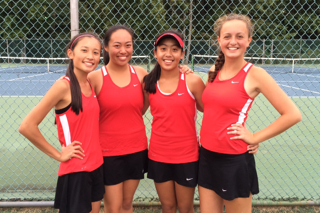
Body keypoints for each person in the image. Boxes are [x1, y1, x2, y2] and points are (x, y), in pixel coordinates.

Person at [143, 30, 259, 213]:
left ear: (182, 54)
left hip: (187, 156)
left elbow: (216, 111)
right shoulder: (148, 83)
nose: (168, 54)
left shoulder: (193, 81)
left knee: (185, 208)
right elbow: (135, 112)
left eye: (174, 49)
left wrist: (249, 135)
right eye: (163, 48)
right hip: (158, 155)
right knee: (168, 206)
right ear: (155, 52)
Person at [198, 13, 302, 213]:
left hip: (234, 160)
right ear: (218, 40)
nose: (233, 41)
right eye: (227, 36)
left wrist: (255, 136)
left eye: (239, 36)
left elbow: (292, 114)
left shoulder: (256, 74)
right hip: (207, 156)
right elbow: (211, 108)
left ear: (249, 41)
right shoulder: (213, 70)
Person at [87, 25, 192, 213]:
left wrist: (184, 69)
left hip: (136, 150)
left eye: (128, 45)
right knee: (113, 208)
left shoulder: (142, 74)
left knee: (127, 205)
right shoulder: (94, 78)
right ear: (106, 47)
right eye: (117, 45)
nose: (123, 50)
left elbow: (142, 108)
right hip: (107, 153)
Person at [19, 33, 104, 213]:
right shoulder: (63, 86)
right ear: (70, 53)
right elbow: (26, 126)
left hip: (96, 166)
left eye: (96, 52)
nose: (91, 56)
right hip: (76, 171)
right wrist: (59, 155)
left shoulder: (90, 83)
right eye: (84, 50)